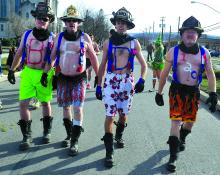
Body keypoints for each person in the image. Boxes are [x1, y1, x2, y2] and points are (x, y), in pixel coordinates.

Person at [155, 16, 218, 172]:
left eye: (194, 32)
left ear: (198, 35)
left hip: (193, 93)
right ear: (182, 34)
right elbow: (163, 74)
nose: (190, 34)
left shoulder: (204, 54)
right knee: (176, 121)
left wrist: (213, 94)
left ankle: (182, 137)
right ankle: (173, 155)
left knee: (189, 123)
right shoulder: (173, 51)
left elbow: (210, 74)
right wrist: (159, 92)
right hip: (176, 90)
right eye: (187, 31)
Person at [41, 5, 99, 155]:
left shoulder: (85, 38)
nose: (71, 23)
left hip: (79, 78)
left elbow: (93, 58)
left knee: (77, 108)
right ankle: (69, 134)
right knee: (66, 108)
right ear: (65, 23)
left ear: (78, 22)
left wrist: (99, 77)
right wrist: (45, 74)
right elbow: (52, 57)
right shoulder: (59, 37)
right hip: (63, 78)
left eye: (74, 20)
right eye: (68, 20)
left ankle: (74, 141)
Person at [96, 7, 147, 168]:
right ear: (115, 24)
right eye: (118, 22)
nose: (121, 25)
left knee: (123, 115)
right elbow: (102, 65)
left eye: (124, 23)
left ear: (128, 25)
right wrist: (98, 85)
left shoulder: (134, 42)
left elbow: (144, 65)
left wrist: (142, 80)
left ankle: (119, 135)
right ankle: (109, 151)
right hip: (111, 80)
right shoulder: (107, 42)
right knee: (110, 115)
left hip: (127, 81)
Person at [7, 2, 55, 150]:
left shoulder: (53, 38)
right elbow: (20, 52)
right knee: (23, 104)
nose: (42, 20)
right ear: (35, 18)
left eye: (45, 18)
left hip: (44, 73)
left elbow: (53, 58)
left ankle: (47, 132)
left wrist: (47, 74)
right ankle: (26, 136)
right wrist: (11, 70)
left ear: (49, 21)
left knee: (45, 103)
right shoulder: (27, 34)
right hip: (28, 72)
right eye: (39, 17)